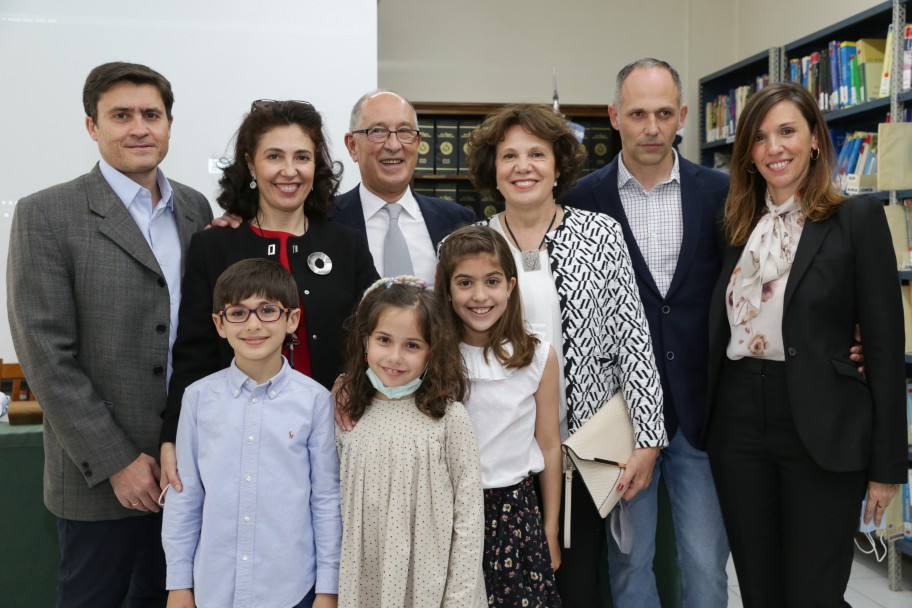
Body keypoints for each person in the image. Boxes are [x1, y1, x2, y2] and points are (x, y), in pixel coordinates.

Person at [6, 62, 213, 606]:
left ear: (169, 125)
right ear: (92, 127)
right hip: (96, 476)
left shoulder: (195, 209)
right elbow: (45, 354)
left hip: (184, 468)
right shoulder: (45, 214)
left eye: (152, 114)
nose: (139, 128)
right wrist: (118, 461)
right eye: (121, 116)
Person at [704, 82, 906, 607]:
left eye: (788, 131)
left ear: (815, 138)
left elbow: (883, 348)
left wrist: (888, 468)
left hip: (822, 422)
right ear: (748, 152)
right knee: (759, 588)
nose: (775, 148)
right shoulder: (735, 225)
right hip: (739, 420)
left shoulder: (856, 219)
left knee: (814, 592)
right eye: (761, 137)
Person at [467, 103, 666, 608]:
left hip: (583, 453)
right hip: (497, 460)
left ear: (559, 165)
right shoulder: (469, 245)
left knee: (577, 587)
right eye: (509, 155)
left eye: (537, 153)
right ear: (493, 169)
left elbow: (633, 340)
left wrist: (647, 440)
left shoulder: (601, 235)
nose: (523, 165)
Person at [562, 58, 731, 607]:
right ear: (615, 116)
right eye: (637, 114)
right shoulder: (581, 199)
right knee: (630, 561)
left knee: (705, 565)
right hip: (620, 416)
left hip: (700, 413)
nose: (652, 127)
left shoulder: (722, 194)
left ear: (683, 115)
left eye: (664, 113)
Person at [159, 100, 378, 492]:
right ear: (251, 163)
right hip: (240, 442)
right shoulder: (215, 246)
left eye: (303, 157)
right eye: (274, 156)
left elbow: (376, 332)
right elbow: (194, 352)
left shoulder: (347, 243)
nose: (289, 170)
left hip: (339, 439)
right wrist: (173, 434)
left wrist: (353, 378)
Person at [162, 259, 340, 608]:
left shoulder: (316, 401)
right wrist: (178, 583)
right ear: (219, 324)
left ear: (292, 320)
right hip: (214, 587)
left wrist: (328, 589)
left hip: (293, 589)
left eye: (268, 310)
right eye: (238, 313)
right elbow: (186, 496)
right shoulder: (197, 398)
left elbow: (325, 501)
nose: (254, 324)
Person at [334, 276, 486, 607]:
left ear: (433, 351)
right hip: (366, 585)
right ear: (365, 342)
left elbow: (470, 518)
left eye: (412, 345)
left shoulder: (448, 419)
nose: (395, 357)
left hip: (432, 588)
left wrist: (459, 599)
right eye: (384, 340)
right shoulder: (348, 416)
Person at [436, 225, 563, 606]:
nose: (479, 296)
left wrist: (550, 528)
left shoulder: (538, 357)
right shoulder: (434, 357)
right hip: (447, 514)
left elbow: (550, 445)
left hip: (514, 517)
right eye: (464, 283)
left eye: (491, 281)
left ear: (510, 286)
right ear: (446, 291)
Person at [331, 90, 476, 286]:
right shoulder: (324, 220)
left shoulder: (459, 221)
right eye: (377, 131)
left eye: (405, 131)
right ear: (352, 146)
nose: (393, 145)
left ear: (418, 143)